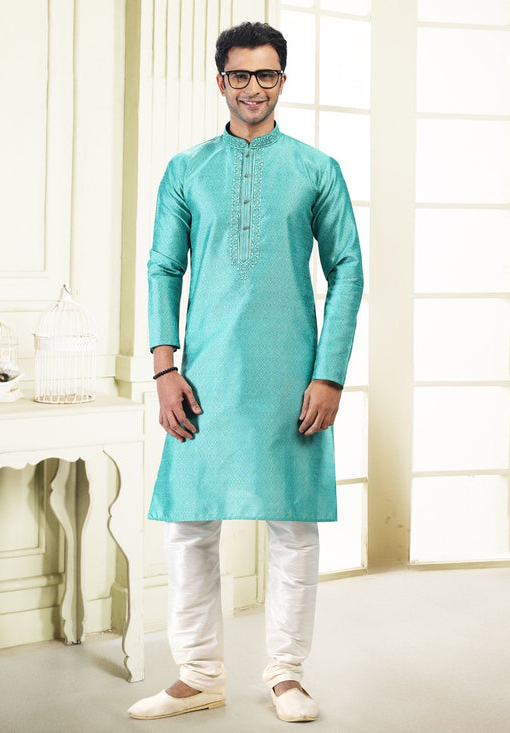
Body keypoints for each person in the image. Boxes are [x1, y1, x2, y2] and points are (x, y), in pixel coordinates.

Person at [128, 21, 363, 724]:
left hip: (292, 375)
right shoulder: (187, 169)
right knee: (189, 525)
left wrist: (330, 374)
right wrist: (164, 368)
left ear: (281, 81)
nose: (253, 87)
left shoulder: (317, 169)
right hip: (203, 376)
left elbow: (347, 270)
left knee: (293, 527)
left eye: (266, 75)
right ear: (220, 80)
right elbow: (163, 267)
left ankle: (287, 674)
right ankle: (198, 673)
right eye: (240, 75)